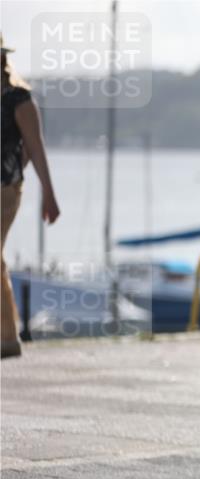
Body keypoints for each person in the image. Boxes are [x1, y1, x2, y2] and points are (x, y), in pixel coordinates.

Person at [1, 35, 60, 359]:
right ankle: (7, 336)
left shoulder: (19, 99)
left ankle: (8, 337)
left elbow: (35, 148)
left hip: (6, 189)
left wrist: (49, 195)